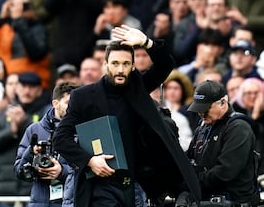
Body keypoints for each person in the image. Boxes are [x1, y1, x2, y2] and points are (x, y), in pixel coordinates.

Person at [52, 25, 201, 207]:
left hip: (133, 186)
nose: (120, 69)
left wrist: (147, 43)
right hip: (99, 186)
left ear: (132, 66)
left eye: (126, 64)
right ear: (105, 65)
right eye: (115, 63)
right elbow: (60, 138)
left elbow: (165, 64)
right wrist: (90, 161)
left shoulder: (137, 89)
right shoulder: (83, 97)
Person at [181, 80, 260, 206]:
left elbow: (225, 172)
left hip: (233, 201)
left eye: (206, 109)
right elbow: (189, 158)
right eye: (198, 109)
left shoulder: (239, 128)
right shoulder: (202, 128)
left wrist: (190, 181)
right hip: (206, 200)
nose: (201, 114)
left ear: (223, 102)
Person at [0, 71, 50, 196]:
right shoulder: (7, 112)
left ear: (39, 90)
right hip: (5, 183)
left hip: (33, 182)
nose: (27, 91)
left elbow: (47, 137)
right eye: (23, 86)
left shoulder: (46, 113)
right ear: (17, 88)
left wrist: (24, 122)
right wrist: (11, 131)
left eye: (31, 87)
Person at [14, 82, 79, 207]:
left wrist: (62, 172)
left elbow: (92, 171)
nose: (74, 107)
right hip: (39, 202)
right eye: (68, 103)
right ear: (55, 103)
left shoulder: (83, 130)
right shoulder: (34, 130)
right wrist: (31, 152)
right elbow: (19, 171)